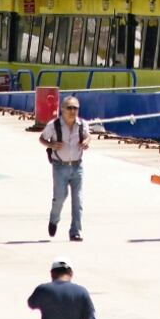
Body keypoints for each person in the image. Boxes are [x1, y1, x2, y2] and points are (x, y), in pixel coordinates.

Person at [40, 95, 91, 241]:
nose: (72, 111)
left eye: (75, 108)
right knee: (60, 197)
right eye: (69, 108)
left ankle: (75, 231)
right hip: (59, 166)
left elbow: (88, 136)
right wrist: (51, 145)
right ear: (62, 109)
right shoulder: (53, 125)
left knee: (78, 200)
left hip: (77, 166)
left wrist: (86, 142)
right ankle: (53, 220)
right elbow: (42, 138)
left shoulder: (82, 124)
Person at [27, 257, 97, 319]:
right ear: (71, 273)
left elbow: (31, 304)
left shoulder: (42, 290)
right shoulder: (81, 292)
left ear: (52, 273)